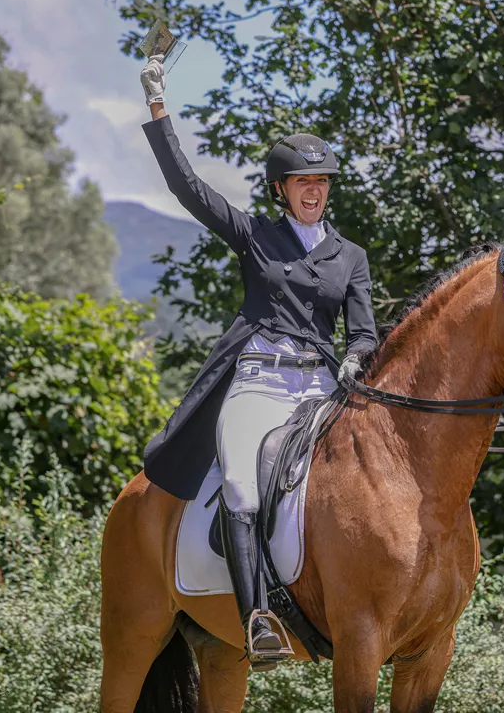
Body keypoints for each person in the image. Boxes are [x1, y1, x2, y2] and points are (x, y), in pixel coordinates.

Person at [139, 55, 378, 667]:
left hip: (322, 393)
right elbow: (188, 189)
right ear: (282, 189)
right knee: (242, 488)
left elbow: (365, 332)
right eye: (303, 183)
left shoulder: (351, 256)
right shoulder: (254, 236)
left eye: (322, 183)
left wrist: (356, 357)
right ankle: (256, 621)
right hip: (258, 385)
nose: (314, 191)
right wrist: (159, 110)